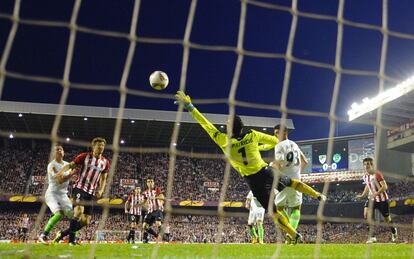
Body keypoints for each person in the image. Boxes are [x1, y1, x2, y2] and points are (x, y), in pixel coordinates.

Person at [174, 91, 326, 244]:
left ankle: (294, 235)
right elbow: (275, 140)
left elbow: (205, 124)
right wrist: (261, 147)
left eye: (227, 124)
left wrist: (190, 106)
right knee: (292, 183)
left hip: (253, 181)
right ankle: (316, 195)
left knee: (273, 212)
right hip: (265, 171)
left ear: (230, 129)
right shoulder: (252, 136)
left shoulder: (223, 141)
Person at [53, 137, 110, 245]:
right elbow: (70, 165)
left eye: (102, 145)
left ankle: (62, 234)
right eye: (99, 145)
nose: (101, 147)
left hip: (91, 192)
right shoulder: (84, 156)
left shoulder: (105, 162)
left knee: (85, 221)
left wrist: (101, 189)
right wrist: (61, 172)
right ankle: (71, 241)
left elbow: (103, 178)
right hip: (80, 188)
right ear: (93, 146)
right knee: (78, 211)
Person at [265, 124, 308, 244]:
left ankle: (291, 233)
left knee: (278, 209)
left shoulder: (279, 146)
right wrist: (296, 173)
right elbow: (305, 162)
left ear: (285, 133)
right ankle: (291, 234)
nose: (276, 135)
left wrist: (272, 165)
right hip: (297, 181)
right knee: (296, 208)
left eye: (278, 132)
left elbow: (279, 165)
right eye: (275, 133)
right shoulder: (295, 145)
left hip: (284, 182)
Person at [38, 145, 75, 244]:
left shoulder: (67, 165)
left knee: (75, 217)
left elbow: (71, 177)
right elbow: (59, 180)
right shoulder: (51, 165)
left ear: (64, 152)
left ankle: (72, 240)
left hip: (63, 195)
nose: (59, 151)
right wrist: (71, 174)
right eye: (56, 150)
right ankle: (43, 236)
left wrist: (72, 174)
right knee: (59, 214)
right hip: (52, 194)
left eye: (61, 149)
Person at [356, 157, 397, 243]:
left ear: (372, 165)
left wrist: (376, 194)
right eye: (365, 164)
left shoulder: (377, 174)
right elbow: (367, 185)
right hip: (371, 199)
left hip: (382, 200)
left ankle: (394, 231)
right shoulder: (365, 176)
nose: (366, 166)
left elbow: (385, 187)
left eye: (368, 164)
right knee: (366, 215)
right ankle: (372, 237)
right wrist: (363, 195)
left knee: (387, 219)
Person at [142, 177, 165, 243]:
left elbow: (162, 197)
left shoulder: (157, 189)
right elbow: (145, 202)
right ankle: (156, 236)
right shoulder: (145, 192)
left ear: (153, 183)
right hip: (150, 211)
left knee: (158, 223)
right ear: (147, 183)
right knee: (145, 226)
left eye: (151, 181)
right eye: (149, 181)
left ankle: (162, 239)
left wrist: (159, 201)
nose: (150, 183)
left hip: (157, 210)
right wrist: (146, 206)